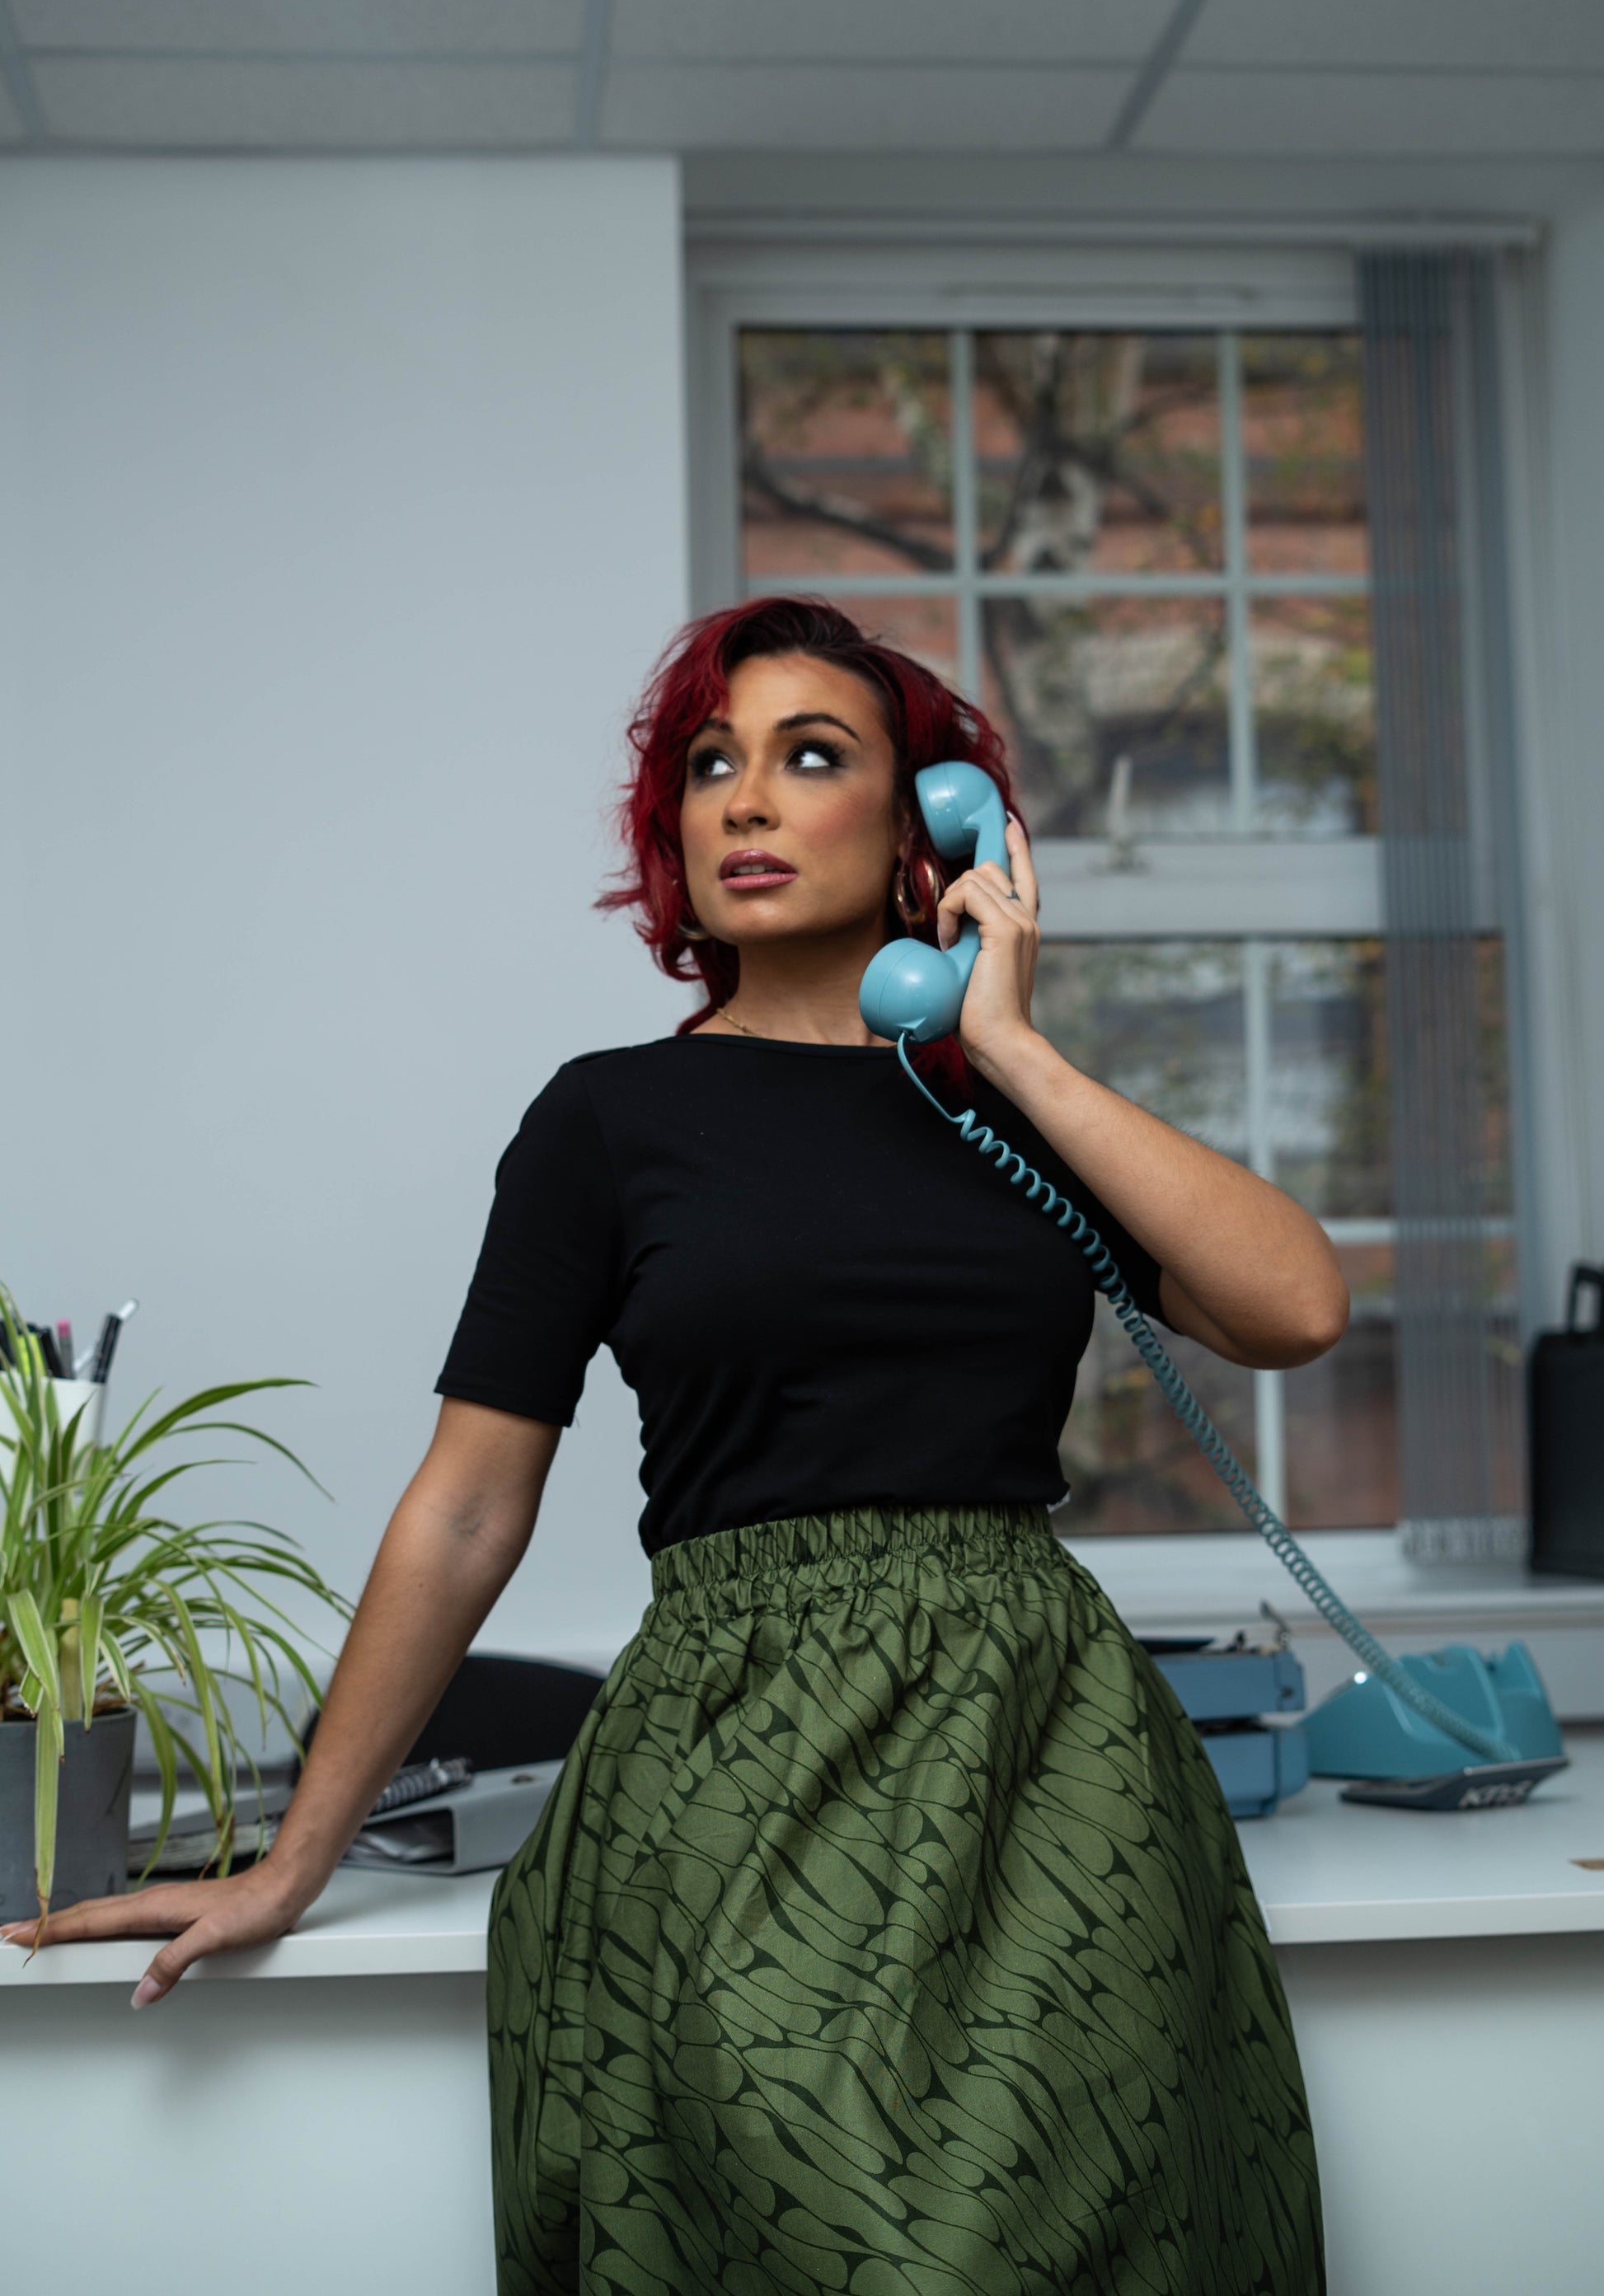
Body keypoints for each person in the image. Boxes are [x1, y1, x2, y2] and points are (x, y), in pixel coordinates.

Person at [11, 597, 1343, 2294]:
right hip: (737, 1744)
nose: (746, 799)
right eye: (713, 763)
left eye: (811, 756)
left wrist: (1004, 1035)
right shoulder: (605, 1122)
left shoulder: (1010, 1110)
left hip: (1039, 1749)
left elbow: (1292, 1305)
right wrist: (296, 1852)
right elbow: (469, 1505)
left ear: (936, 827)